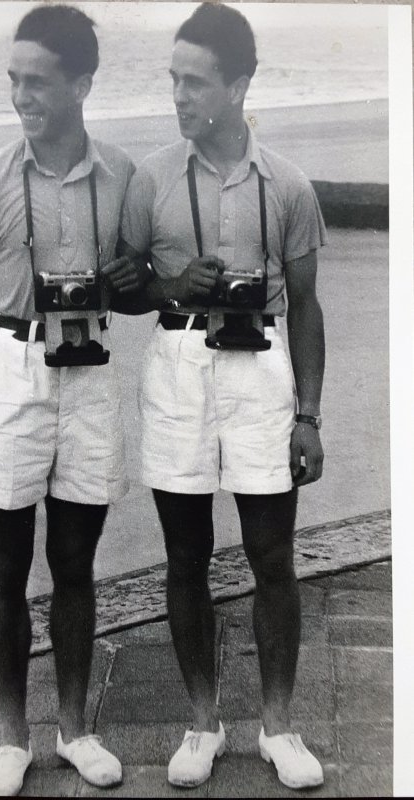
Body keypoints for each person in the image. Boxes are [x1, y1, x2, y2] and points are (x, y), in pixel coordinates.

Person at [118, 3, 326, 791]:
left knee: (272, 555)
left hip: (260, 369)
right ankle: (201, 724)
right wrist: (171, 283)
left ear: (238, 85)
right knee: (184, 554)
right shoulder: (149, 178)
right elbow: (124, 289)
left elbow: (304, 306)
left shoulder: (288, 184)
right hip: (176, 364)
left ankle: (278, 726)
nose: (178, 96)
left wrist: (307, 416)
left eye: (195, 82)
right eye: (172, 79)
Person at [0, 6, 145, 795]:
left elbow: (139, 291)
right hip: (11, 371)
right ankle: (11, 739)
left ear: (81, 85)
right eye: (13, 79)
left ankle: (76, 730)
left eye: (37, 81)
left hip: (89, 369)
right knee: (3, 566)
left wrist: (134, 280)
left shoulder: (123, 175)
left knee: (75, 565)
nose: (21, 95)